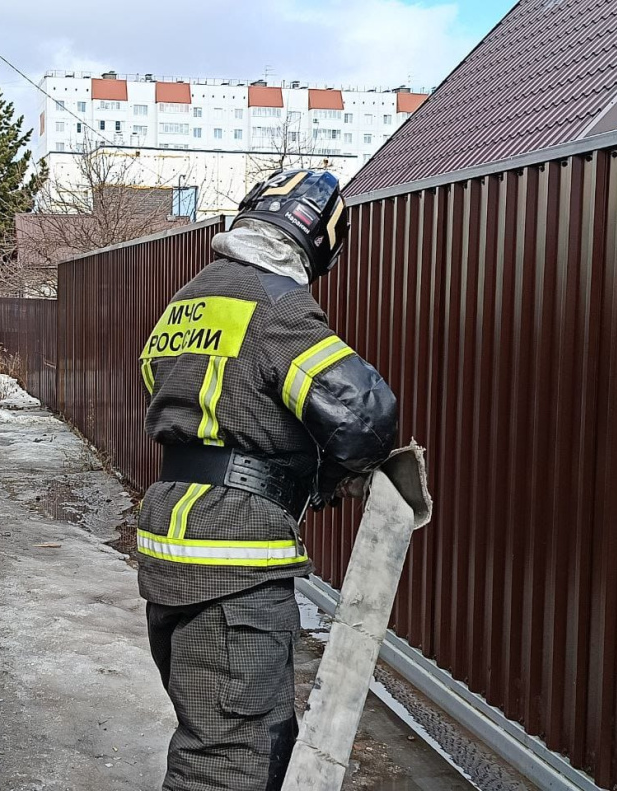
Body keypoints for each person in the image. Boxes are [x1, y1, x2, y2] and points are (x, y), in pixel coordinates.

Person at [137, 169, 399, 790]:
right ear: (317, 241)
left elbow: (172, 393)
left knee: (210, 737)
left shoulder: (192, 297)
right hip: (234, 555)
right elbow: (366, 414)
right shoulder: (276, 305)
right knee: (231, 763)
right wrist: (325, 479)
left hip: (173, 543)